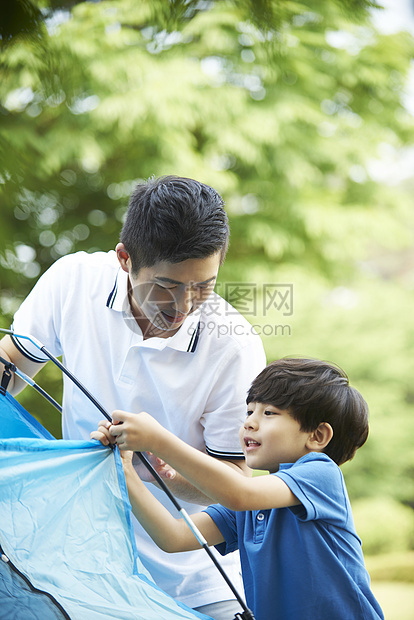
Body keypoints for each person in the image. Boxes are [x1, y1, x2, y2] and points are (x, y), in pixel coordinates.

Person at [0, 175, 266, 619]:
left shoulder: (234, 346)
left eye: (203, 286)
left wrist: (161, 467)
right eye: (166, 285)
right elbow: (12, 366)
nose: (183, 306)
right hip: (82, 568)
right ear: (125, 258)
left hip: (193, 582)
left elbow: (235, 483)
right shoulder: (73, 280)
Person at [91, 357, 384, 620]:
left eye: (269, 413)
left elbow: (239, 493)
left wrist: (158, 440)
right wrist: (126, 471)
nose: (249, 424)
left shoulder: (320, 474)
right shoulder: (252, 504)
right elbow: (174, 537)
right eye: (249, 411)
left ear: (317, 436)